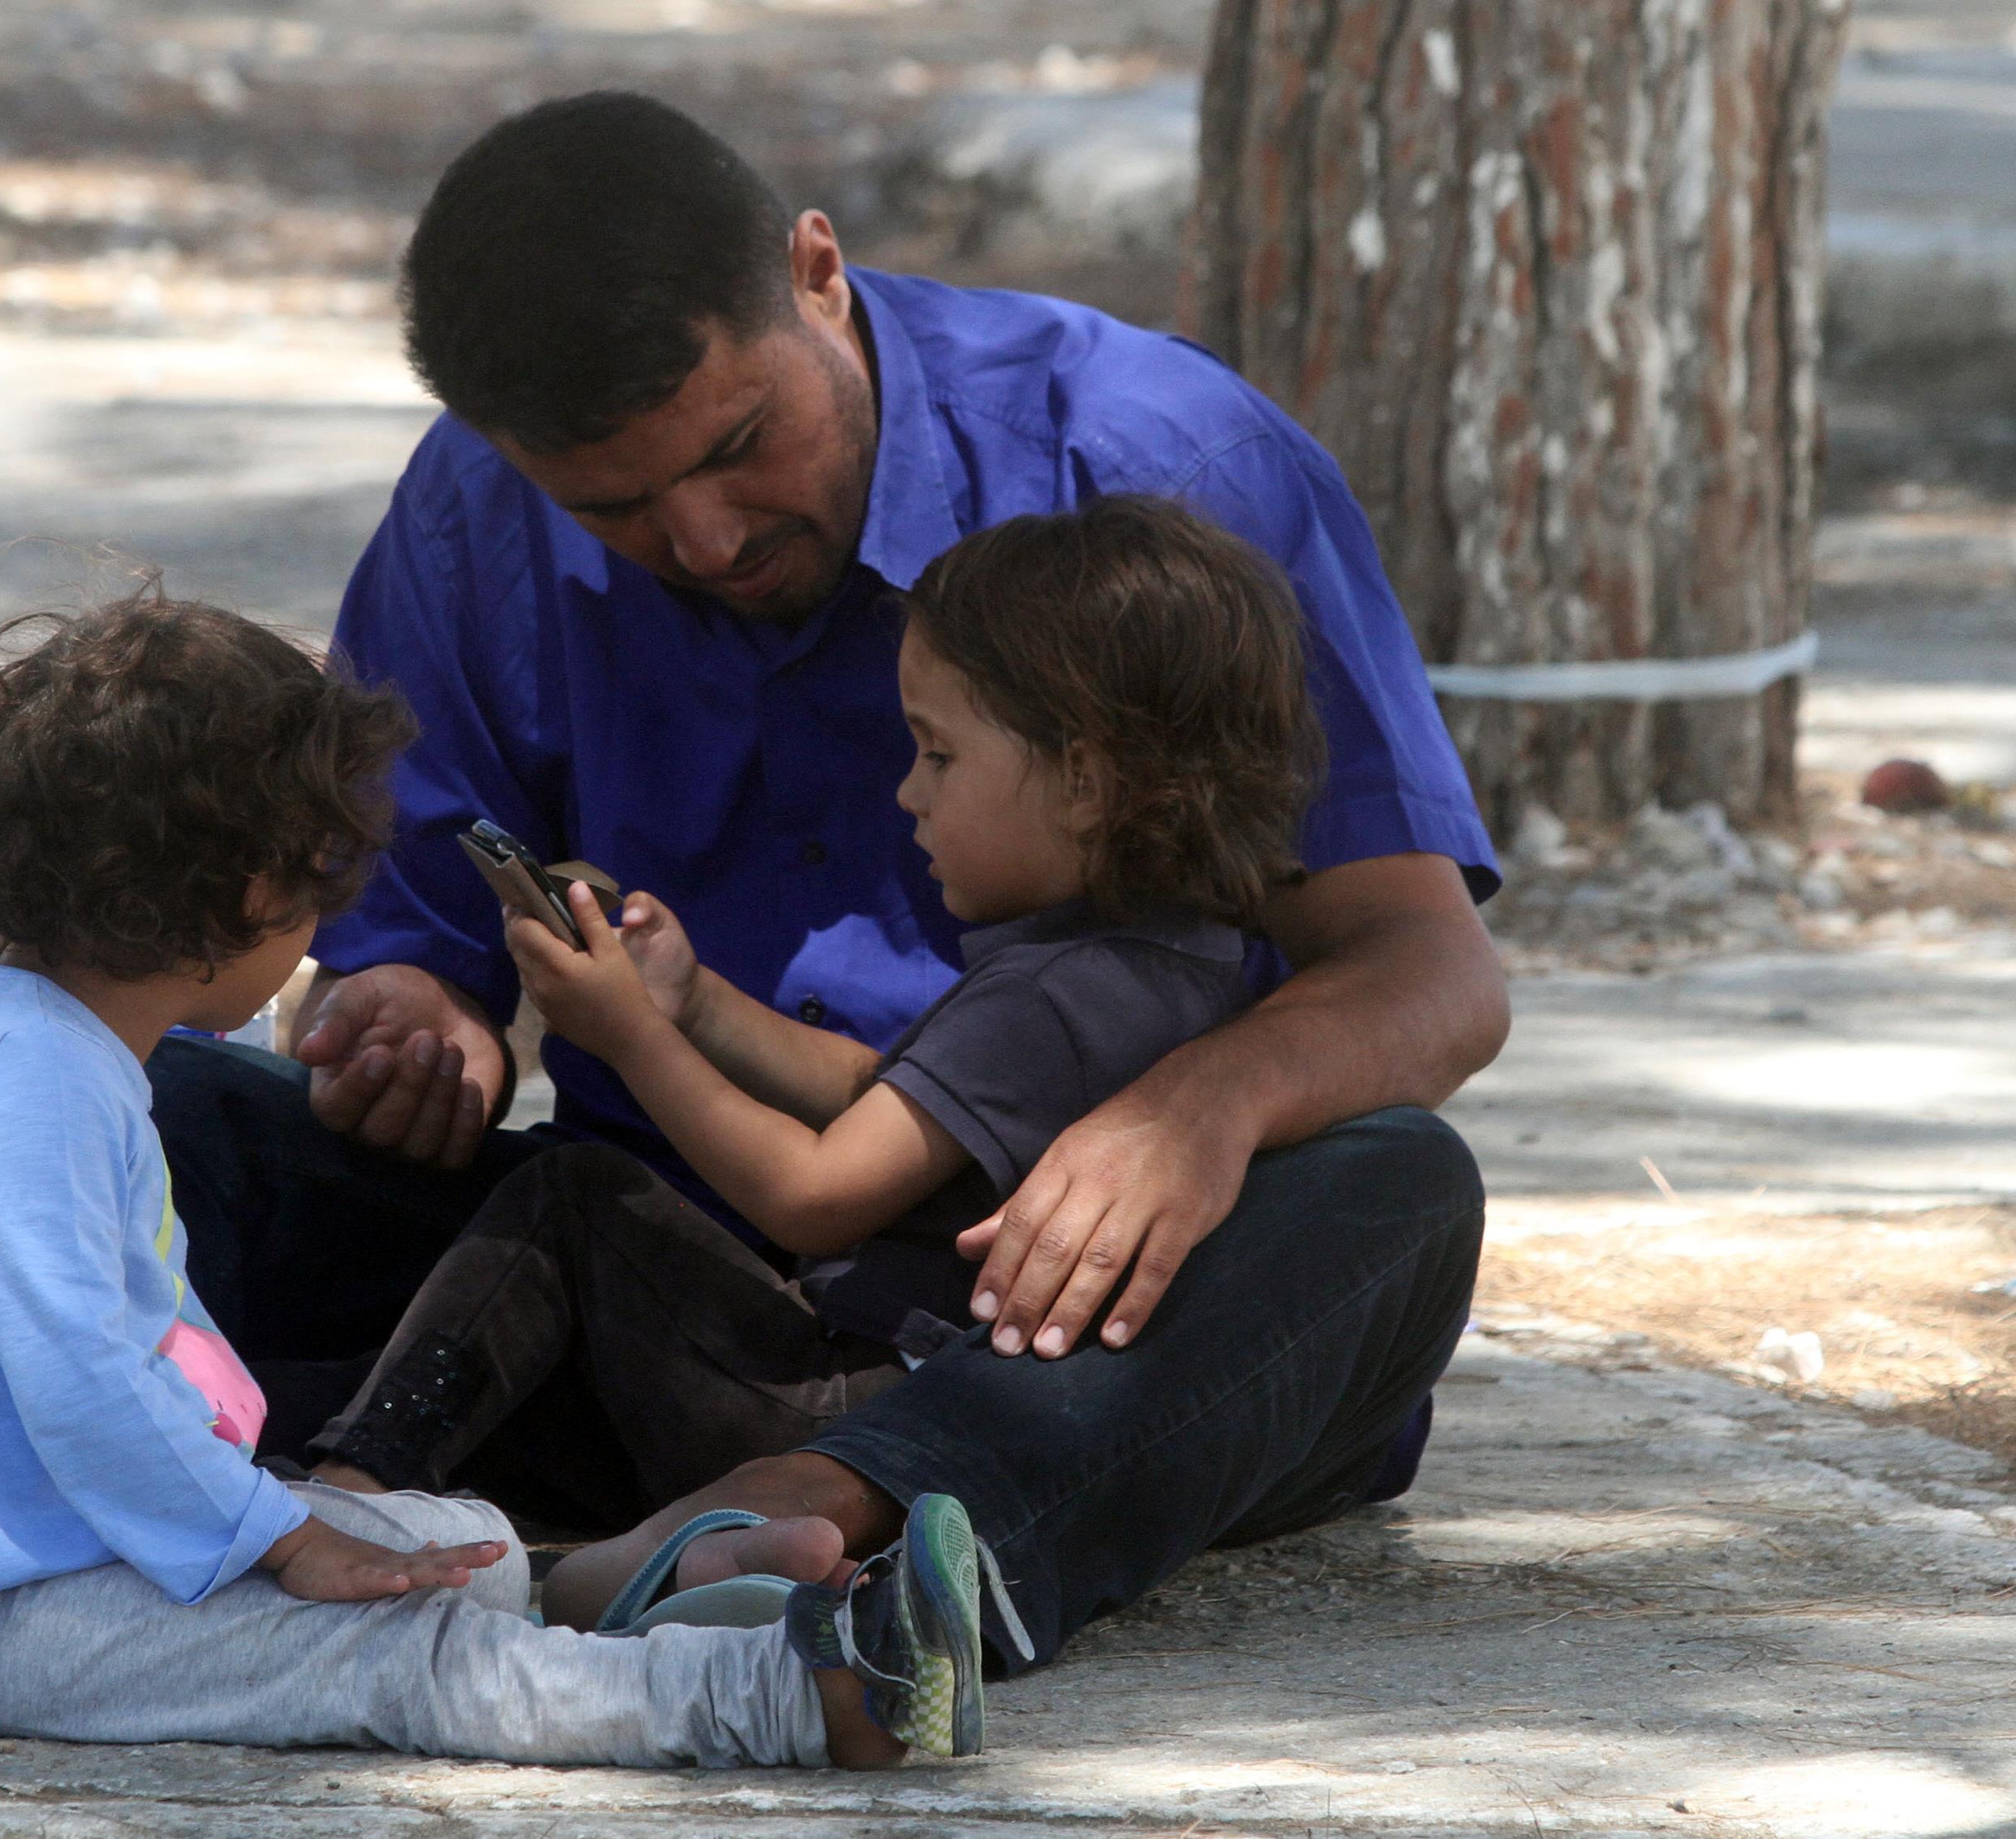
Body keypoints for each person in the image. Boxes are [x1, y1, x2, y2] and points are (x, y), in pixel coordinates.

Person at [143, 92, 1502, 1667]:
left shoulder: (1159, 461)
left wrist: (1200, 1107)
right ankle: (465, 1498)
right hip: (655, 1299)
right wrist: (407, 1010)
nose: (705, 538)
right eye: (613, 506)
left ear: (816, 272)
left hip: (1066, 1328)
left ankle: (873, 1508)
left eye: (735, 448)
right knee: (148, 1116)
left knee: (1393, 1190)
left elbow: (1428, 968)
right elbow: (398, 933)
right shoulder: (470, 506)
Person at [0, 587, 1004, 1767]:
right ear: (261, 887)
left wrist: (299, 1523)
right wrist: (280, 1537)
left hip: (61, 1555)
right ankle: (791, 1694)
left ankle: (632, 1582)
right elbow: (89, 1383)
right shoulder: (16, 1090)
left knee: (441, 1539)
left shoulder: (49, 1053)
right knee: (400, 1650)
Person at [306, 497, 1320, 1585]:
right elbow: (873, 1095)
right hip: (904, 1413)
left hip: (852, 1408)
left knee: (573, 1199)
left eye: (937, 755)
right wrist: (693, 1003)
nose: (906, 793)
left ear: (1083, 782)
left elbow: (812, 1192)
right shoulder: (1161, 962)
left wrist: (629, 1037)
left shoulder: (1056, 995)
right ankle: (672, 1569)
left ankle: (356, 1497)